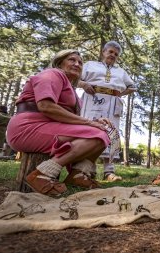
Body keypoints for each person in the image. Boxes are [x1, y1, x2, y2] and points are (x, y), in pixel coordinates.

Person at [7, 49, 113, 197]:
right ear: (59, 62)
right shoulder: (52, 74)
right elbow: (46, 106)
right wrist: (90, 124)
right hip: (28, 127)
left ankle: (78, 174)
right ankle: (42, 174)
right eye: (72, 60)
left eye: (80, 63)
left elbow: (76, 118)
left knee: (102, 133)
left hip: (48, 126)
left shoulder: (72, 91)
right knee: (97, 134)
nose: (77, 64)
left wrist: (96, 121)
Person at [78, 41, 136, 182]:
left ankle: (108, 172)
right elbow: (75, 78)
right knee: (90, 131)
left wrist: (120, 94)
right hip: (92, 99)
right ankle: (87, 170)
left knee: (111, 133)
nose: (113, 55)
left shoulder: (120, 72)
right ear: (103, 52)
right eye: (110, 52)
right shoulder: (90, 65)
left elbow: (132, 87)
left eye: (116, 54)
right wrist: (84, 84)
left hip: (112, 103)